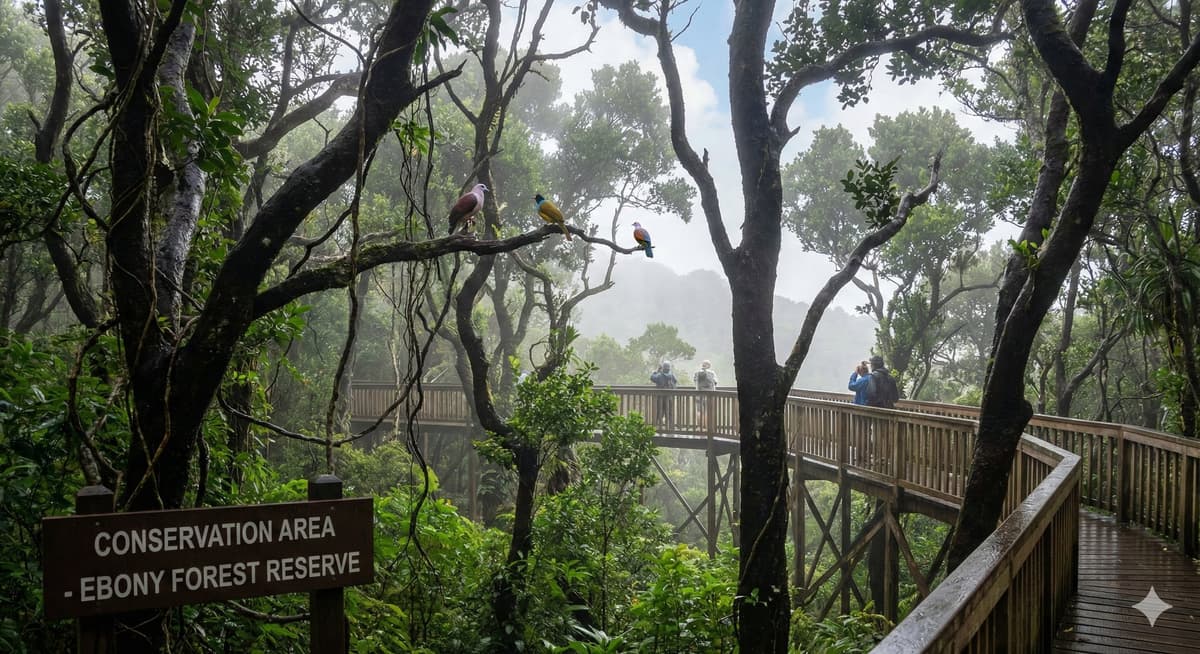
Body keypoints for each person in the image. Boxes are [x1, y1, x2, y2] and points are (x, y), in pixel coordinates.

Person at [650, 362, 678, 428]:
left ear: (663, 368)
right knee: (669, 412)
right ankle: (670, 426)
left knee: (660, 411)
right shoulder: (671, 375)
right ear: (669, 368)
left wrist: (656, 371)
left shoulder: (659, 375)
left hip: (660, 397)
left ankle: (658, 426)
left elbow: (652, 378)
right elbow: (675, 381)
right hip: (669, 397)